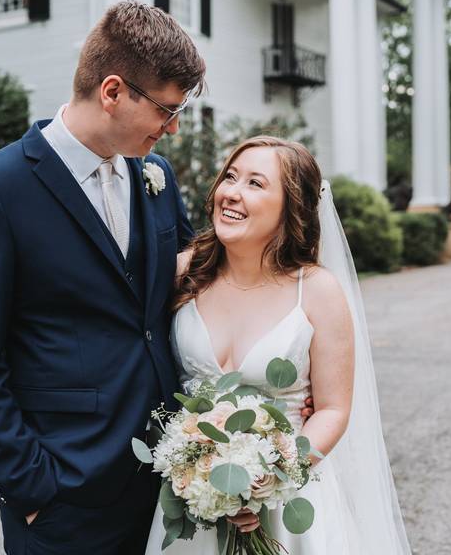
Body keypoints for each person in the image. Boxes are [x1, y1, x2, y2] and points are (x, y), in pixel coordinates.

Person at [0, 0, 205, 555]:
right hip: (66, 494)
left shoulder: (156, 175)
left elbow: (189, 292)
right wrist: (31, 486)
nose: (173, 128)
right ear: (112, 92)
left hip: (171, 482)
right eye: (164, 109)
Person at [145, 136, 412, 554]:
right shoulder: (184, 271)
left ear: (292, 207)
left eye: (255, 183)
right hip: (192, 503)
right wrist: (200, 469)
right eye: (230, 177)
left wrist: (272, 476)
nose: (231, 193)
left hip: (287, 504)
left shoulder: (318, 292)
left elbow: (333, 409)